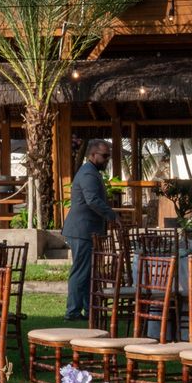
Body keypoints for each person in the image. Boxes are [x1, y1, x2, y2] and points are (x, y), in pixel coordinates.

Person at [60, 138, 122, 321]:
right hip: (82, 230)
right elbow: (92, 200)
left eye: (108, 156)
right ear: (93, 155)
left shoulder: (91, 171)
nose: (107, 159)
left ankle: (89, 309)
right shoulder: (88, 173)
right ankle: (72, 311)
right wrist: (112, 216)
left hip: (86, 229)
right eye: (104, 156)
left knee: (88, 272)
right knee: (81, 271)